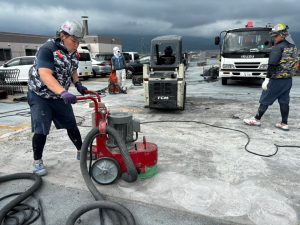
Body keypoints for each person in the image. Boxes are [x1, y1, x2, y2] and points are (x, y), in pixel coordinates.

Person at [27, 20, 88, 176]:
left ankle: (81, 151)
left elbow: (73, 69)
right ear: (62, 36)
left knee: (71, 124)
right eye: (74, 40)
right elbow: (45, 75)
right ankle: (37, 160)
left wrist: (78, 84)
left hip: (59, 95)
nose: (76, 45)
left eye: (78, 41)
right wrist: (63, 92)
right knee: (42, 129)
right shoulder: (47, 50)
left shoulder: (73, 52)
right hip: (41, 95)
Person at [243, 23, 298, 131]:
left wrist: (267, 79)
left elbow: (272, 65)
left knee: (265, 99)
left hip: (276, 80)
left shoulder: (278, 48)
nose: (274, 38)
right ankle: (284, 123)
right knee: (284, 101)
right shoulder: (293, 47)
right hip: (287, 80)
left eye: (275, 36)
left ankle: (256, 119)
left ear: (282, 35)